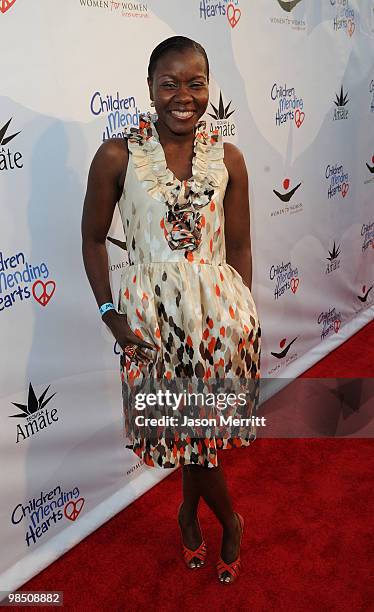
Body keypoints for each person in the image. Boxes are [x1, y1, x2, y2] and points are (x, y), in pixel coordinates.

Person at [81, 36, 261, 585]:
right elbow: (92, 239)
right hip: (150, 324)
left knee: (198, 433)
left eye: (196, 83)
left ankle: (201, 517)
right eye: (170, 83)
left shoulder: (228, 157)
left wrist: (240, 312)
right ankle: (226, 519)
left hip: (216, 326)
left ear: (209, 87)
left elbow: (241, 245)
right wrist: (112, 315)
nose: (183, 96)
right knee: (186, 431)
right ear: (151, 88)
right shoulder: (117, 155)